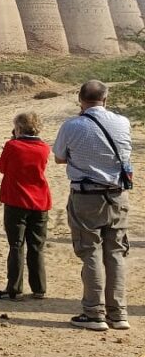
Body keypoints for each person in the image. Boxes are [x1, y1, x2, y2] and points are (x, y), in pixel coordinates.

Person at [54, 80, 134, 331]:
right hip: (117, 196)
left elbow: (59, 158)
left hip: (86, 196)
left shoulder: (72, 125)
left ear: (80, 99)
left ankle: (94, 313)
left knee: (90, 252)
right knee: (116, 253)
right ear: (106, 99)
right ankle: (118, 314)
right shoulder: (122, 122)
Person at [0, 112, 52, 301]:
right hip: (40, 201)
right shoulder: (44, 147)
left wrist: (2, 153)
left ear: (18, 128)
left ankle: (14, 288)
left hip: (17, 201)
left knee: (16, 245)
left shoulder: (13, 146)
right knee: (36, 246)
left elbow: (2, 166)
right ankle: (39, 288)